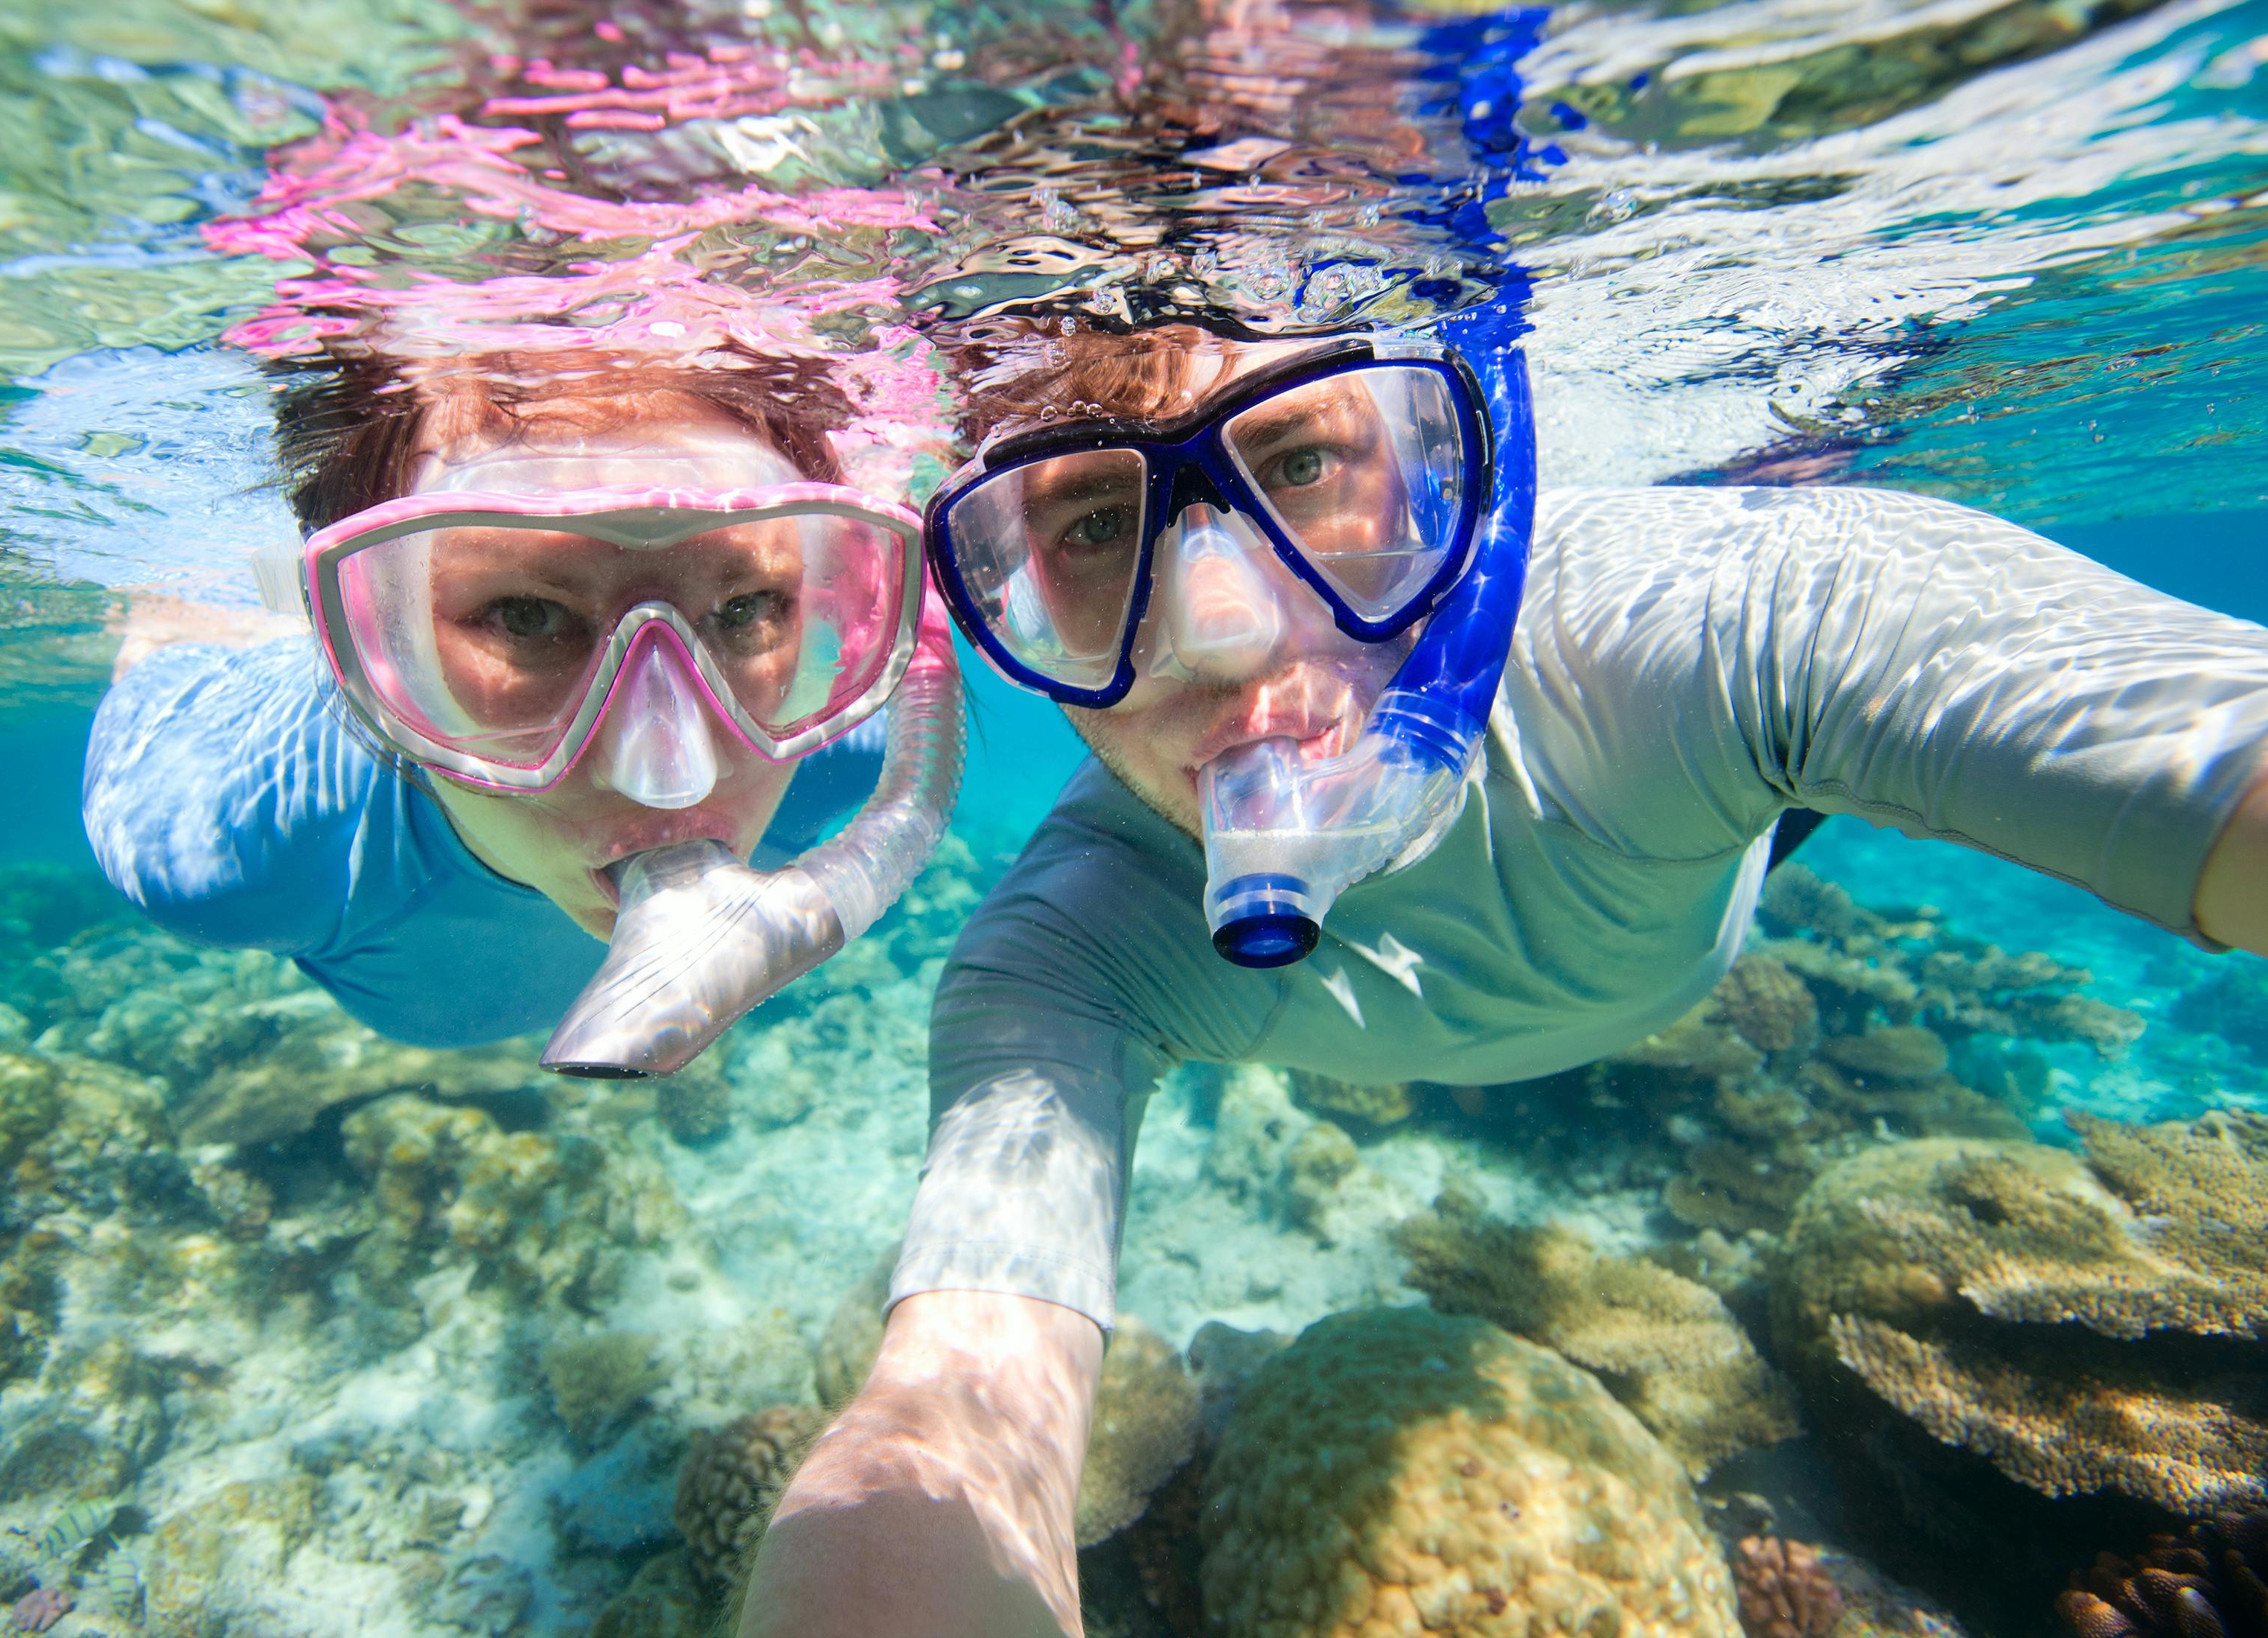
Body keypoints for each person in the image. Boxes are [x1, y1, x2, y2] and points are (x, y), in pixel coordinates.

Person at [737, 310, 2268, 1636]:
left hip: (1719, 826)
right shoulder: (1068, 953)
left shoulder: (1710, 627)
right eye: (1085, 525)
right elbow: (951, 1412)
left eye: (1303, 461)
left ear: (1436, 465)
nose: (1219, 631)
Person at [83, 339, 955, 1062]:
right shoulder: (234, 847)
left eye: (748, 607)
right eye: (529, 616)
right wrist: (167, 625)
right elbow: (156, 673)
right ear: (357, 632)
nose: (673, 778)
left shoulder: (841, 758)